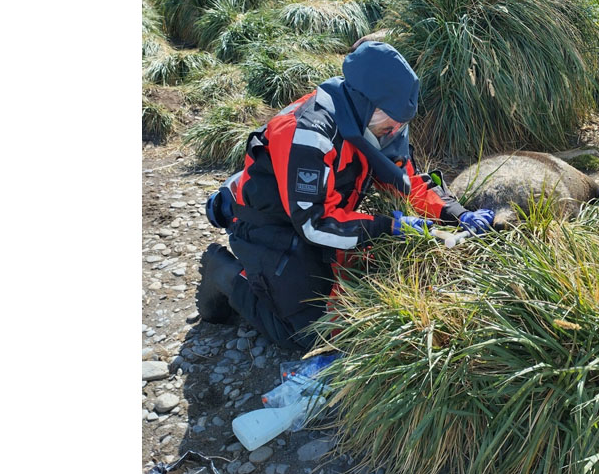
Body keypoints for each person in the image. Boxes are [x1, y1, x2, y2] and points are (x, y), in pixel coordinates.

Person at [196, 41, 494, 350]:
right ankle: (224, 273)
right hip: (272, 222)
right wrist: (387, 227)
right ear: (364, 103)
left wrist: (456, 214)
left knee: (346, 290)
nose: (393, 132)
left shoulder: (374, 126)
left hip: (318, 211)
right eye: (388, 122)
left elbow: (404, 181)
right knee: (310, 335)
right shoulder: (309, 135)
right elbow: (314, 223)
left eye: (400, 125)